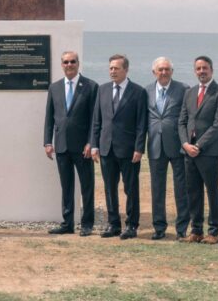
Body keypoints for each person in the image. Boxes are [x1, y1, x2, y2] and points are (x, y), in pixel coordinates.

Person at [91, 54, 148, 240]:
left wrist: (139, 148)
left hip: (129, 150)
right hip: (106, 148)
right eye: (110, 68)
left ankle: (131, 225)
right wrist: (94, 145)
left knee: (130, 188)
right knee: (109, 188)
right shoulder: (103, 90)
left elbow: (142, 123)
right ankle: (113, 224)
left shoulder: (138, 92)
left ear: (126, 70)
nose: (112, 71)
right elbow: (97, 121)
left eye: (116, 68)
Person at [43, 51, 98, 237]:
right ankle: (67, 223)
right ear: (61, 64)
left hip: (83, 147)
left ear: (78, 63)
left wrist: (91, 142)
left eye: (72, 61)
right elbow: (49, 117)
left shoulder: (90, 86)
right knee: (66, 186)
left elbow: (94, 119)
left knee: (87, 186)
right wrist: (47, 142)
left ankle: (87, 224)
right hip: (62, 145)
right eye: (66, 62)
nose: (69, 65)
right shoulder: (55, 87)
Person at [178, 55, 218, 245]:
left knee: (212, 191)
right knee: (193, 192)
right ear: (195, 71)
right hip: (188, 151)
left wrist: (199, 145)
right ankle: (196, 230)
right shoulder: (189, 93)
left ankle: (213, 231)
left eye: (205, 68)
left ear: (211, 70)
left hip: (208, 152)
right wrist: (185, 144)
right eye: (198, 68)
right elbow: (182, 121)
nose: (201, 71)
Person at [146, 57, 190, 240]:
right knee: (157, 188)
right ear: (154, 72)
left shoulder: (183, 89)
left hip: (177, 145)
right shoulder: (146, 90)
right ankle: (159, 227)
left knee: (181, 188)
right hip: (155, 145)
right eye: (160, 69)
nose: (163, 72)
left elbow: (187, 117)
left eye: (167, 69)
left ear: (172, 71)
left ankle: (181, 229)